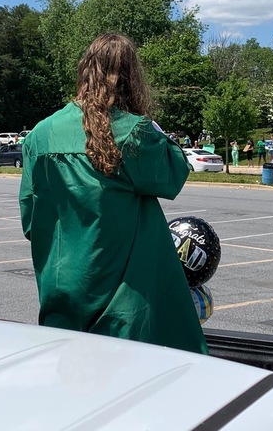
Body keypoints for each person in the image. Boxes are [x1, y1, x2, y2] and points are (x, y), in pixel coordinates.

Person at [19, 32, 207, 355]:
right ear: (132, 80)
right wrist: (149, 123)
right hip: (127, 312)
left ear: (84, 71)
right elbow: (176, 171)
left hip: (62, 302)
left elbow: (30, 223)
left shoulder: (39, 137)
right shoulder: (133, 133)